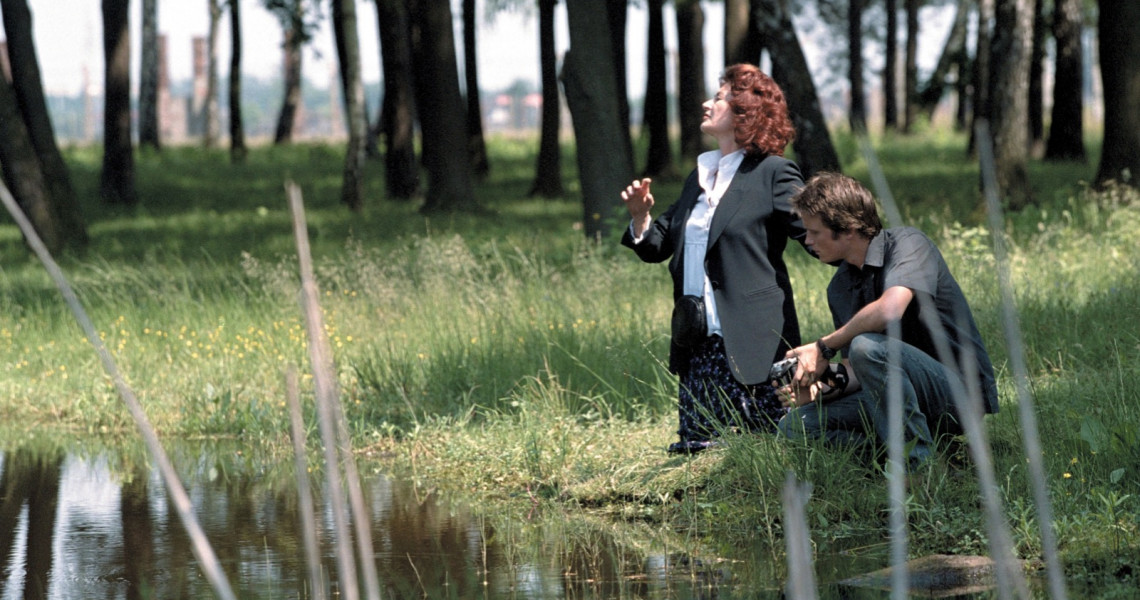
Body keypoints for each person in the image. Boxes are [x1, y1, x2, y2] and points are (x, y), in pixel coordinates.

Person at [621, 63, 808, 454]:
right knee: (698, 453)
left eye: (719, 97)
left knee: (766, 453)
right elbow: (656, 246)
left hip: (754, 339)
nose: (707, 103)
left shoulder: (773, 172)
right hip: (698, 342)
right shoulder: (701, 176)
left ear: (745, 111)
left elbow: (815, 234)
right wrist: (640, 216)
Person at [777, 172, 1000, 469]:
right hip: (891, 397)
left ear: (847, 228)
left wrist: (822, 347)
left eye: (814, 232)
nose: (807, 240)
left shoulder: (908, 244)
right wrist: (820, 387)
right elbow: (859, 368)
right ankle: (944, 456)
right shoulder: (839, 288)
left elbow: (890, 309)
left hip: (956, 395)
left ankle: (917, 470)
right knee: (794, 426)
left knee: (866, 345)